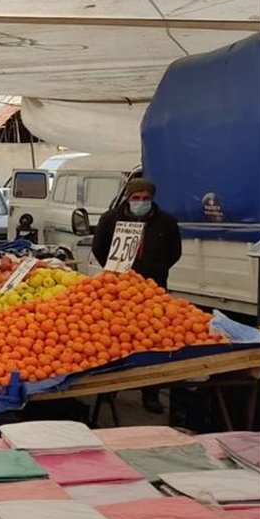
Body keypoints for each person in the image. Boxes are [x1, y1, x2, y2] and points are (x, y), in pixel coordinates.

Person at [91, 177, 182, 414]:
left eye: (145, 199)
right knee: (116, 338)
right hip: (118, 291)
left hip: (154, 290)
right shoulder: (110, 219)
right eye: (136, 198)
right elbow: (99, 248)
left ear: (152, 199)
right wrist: (116, 273)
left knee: (152, 339)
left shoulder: (167, 222)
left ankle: (150, 393)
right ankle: (112, 387)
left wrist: (156, 269)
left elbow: (175, 252)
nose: (140, 202)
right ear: (128, 198)